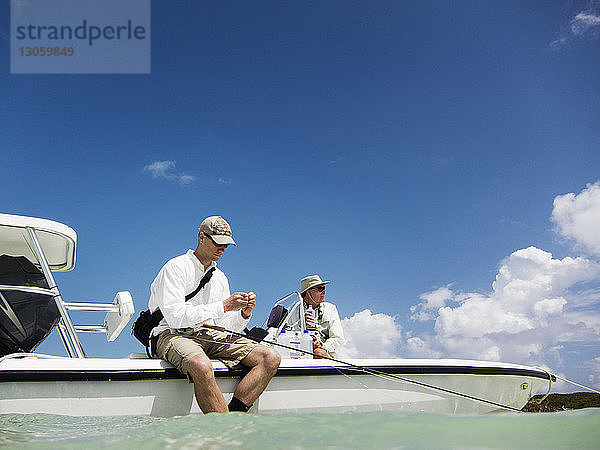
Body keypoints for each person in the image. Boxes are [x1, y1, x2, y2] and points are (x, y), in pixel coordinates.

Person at [148, 216, 281, 413]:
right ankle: (224, 429)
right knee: (201, 365)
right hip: (171, 333)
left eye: (226, 245)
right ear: (201, 237)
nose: (222, 249)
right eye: (218, 243)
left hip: (207, 334)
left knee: (270, 357)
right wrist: (223, 306)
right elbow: (175, 317)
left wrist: (243, 315)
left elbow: (225, 326)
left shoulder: (220, 278)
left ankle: (235, 413)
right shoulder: (176, 267)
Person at [300, 274, 345, 358]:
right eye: (320, 289)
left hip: (323, 353)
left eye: (324, 288)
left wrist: (322, 346)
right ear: (308, 292)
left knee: (318, 353)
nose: (324, 292)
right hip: (299, 352)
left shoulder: (331, 309)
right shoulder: (293, 311)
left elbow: (338, 338)